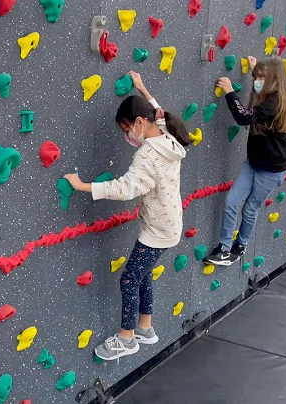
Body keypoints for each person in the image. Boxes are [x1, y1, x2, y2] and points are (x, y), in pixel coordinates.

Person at [62, 72, 190, 361]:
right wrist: (143, 88)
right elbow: (158, 111)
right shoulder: (169, 137)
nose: (126, 136)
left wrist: (83, 186)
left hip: (156, 231)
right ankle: (145, 328)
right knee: (142, 275)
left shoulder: (148, 156)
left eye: (126, 129)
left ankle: (127, 338)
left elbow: (125, 188)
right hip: (170, 226)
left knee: (129, 280)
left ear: (140, 124)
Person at [204, 56, 286, 266]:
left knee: (250, 207)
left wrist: (230, 91)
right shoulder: (271, 94)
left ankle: (240, 245)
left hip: (271, 169)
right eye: (255, 77)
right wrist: (255, 68)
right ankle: (223, 249)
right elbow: (258, 95)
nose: (256, 81)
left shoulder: (276, 101)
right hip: (253, 162)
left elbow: (243, 117)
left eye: (261, 78)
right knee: (232, 200)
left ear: (274, 80)